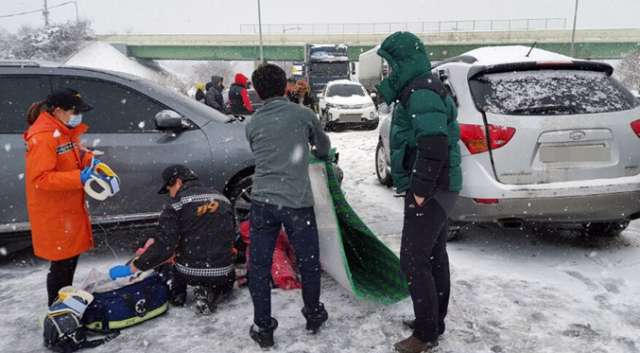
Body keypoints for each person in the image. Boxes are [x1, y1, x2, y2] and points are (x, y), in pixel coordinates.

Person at [375, 31, 462, 353]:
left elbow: (434, 144)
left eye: (391, 64)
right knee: (433, 256)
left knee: (413, 260)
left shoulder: (422, 91)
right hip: (441, 186)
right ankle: (433, 322)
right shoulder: (421, 86)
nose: (388, 71)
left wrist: (421, 190)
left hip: (432, 187)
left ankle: (425, 335)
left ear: (404, 61)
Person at [245, 63, 331, 348]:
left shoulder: (253, 123)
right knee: (308, 261)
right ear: (286, 87)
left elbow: (260, 151)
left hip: (262, 202)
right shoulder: (304, 114)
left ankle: (263, 327)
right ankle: (314, 314)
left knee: (258, 266)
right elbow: (323, 148)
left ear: (257, 92)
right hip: (297, 202)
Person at [109, 165, 237, 315]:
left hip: (190, 272)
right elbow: (231, 235)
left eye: (169, 189)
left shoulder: (176, 205)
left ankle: (178, 294)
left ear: (178, 181)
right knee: (211, 260)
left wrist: (133, 267)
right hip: (225, 272)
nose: (170, 195)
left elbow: (164, 248)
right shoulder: (223, 199)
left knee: (171, 261)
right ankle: (212, 289)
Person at [23, 88, 97, 306]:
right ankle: (57, 312)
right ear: (57, 111)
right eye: (74, 111)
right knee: (62, 264)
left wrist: (91, 161)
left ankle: (64, 307)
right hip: (54, 214)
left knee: (69, 260)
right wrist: (79, 178)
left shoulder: (63, 130)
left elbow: (78, 152)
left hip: (68, 209)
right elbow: (41, 178)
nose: (77, 116)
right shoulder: (43, 137)